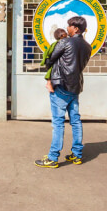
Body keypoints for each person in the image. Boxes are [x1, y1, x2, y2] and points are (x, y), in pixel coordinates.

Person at [34, 16, 92, 168]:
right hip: (76, 86)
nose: (67, 28)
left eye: (69, 26)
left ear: (76, 28)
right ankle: (77, 155)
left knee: (58, 122)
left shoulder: (65, 42)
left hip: (61, 86)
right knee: (76, 121)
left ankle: (53, 158)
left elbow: (51, 58)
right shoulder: (87, 46)